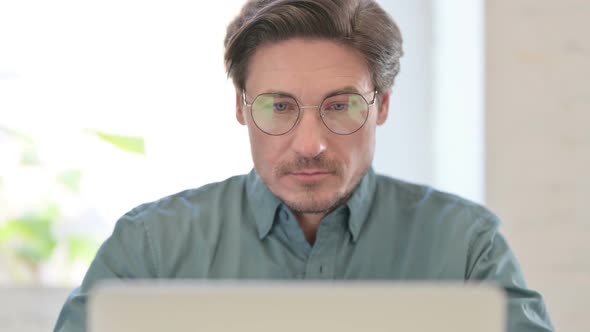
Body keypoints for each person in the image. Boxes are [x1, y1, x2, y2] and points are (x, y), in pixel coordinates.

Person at [54, 0, 554, 331]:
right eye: (279, 106)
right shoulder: (150, 249)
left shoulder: (466, 246)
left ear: (381, 105)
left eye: (340, 106)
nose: (310, 144)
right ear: (240, 107)